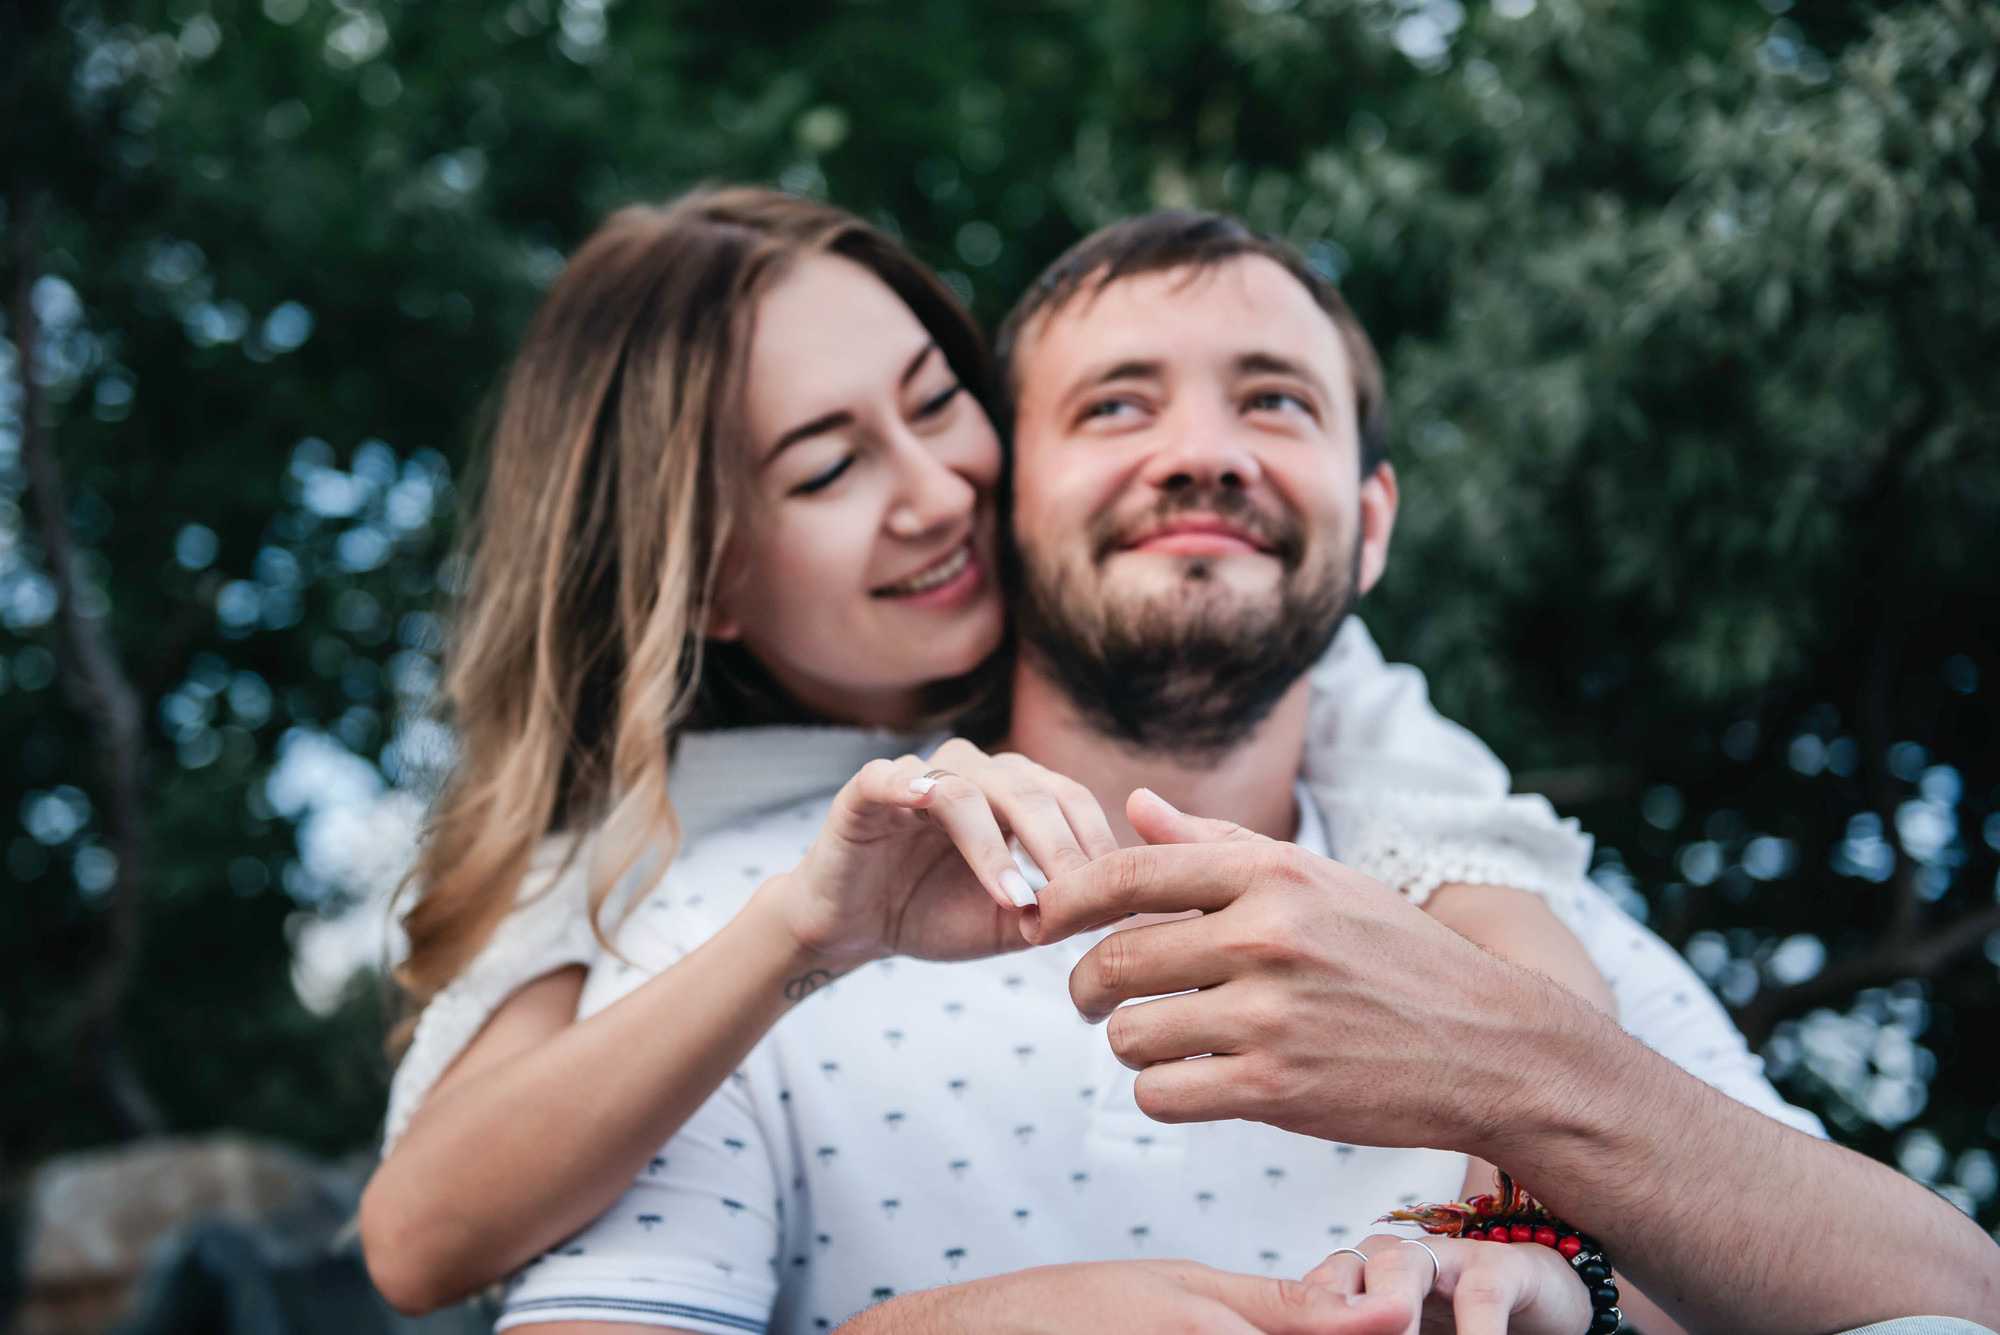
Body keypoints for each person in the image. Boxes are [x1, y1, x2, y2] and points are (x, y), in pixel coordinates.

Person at [486, 214, 2000, 1334]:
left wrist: (1564, 1248)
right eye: (1117, 405)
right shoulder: (755, 919)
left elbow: (1953, 1295)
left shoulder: (1517, 911)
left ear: (1374, 522)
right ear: (994, 509)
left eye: (1275, 400)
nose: (1204, 451)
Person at [360, 190, 1610, 1323]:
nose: (942, 491)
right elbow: (418, 1244)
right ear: (706, 587)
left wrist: (1513, 1216)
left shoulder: (1205, 633)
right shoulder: (652, 839)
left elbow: (1489, 881)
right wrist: (793, 932)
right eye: (830, 467)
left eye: (934, 399)